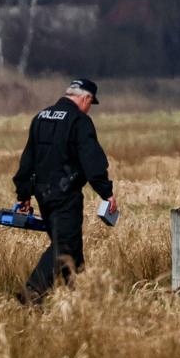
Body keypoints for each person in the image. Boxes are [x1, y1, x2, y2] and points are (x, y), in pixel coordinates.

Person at [13, 78, 117, 303]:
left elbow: (28, 159)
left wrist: (24, 195)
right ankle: (33, 291)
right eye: (91, 103)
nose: (90, 108)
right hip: (65, 195)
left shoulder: (41, 117)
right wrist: (106, 192)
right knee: (65, 245)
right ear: (85, 98)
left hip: (43, 195)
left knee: (72, 250)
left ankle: (79, 298)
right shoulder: (79, 121)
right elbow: (92, 161)